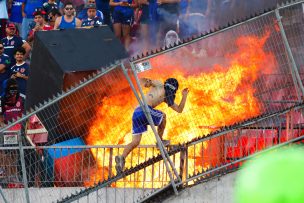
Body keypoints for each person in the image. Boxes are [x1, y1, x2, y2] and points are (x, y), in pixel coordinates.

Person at [115, 78, 189, 173]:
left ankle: (121, 159)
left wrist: (184, 96)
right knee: (163, 116)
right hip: (145, 110)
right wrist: (147, 82)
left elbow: (179, 109)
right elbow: (146, 82)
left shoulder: (166, 96)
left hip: (136, 112)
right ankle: (160, 141)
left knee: (135, 142)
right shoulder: (159, 84)